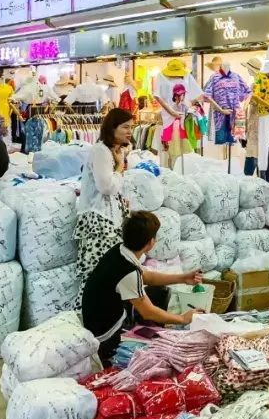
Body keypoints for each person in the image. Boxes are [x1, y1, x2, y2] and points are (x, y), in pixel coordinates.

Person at [81, 211, 203, 365]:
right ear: (151, 242)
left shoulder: (121, 251)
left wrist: (182, 278)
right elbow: (148, 311)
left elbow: (145, 276)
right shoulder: (127, 271)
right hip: (105, 334)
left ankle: (150, 331)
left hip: (104, 316)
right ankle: (115, 352)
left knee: (160, 291)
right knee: (152, 356)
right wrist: (183, 318)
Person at [74, 108, 135, 308]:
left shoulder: (112, 151)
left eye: (132, 128)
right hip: (99, 222)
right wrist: (119, 168)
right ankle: (89, 319)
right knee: (96, 274)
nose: (130, 132)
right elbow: (106, 187)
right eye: (125, 127)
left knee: (109, 274)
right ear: (112, 127)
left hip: (109, 220)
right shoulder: (101, 150)